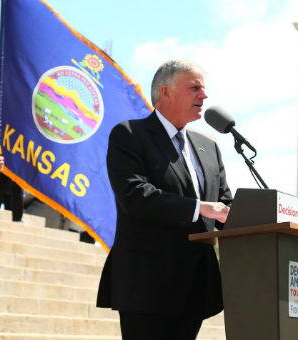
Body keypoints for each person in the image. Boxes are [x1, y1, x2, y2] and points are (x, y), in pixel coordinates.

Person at [96, 60, 233, 340]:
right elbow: (135, 195)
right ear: (166, 93)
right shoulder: (130, 135)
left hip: (196, 285)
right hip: (147, 284)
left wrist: (262, 218)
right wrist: (200, 208)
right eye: (194, 88)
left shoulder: (209, 148)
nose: (204, 96)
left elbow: (224, 204)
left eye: (203, 89)